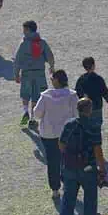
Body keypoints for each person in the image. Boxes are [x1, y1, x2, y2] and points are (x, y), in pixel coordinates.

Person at [57, 98, 106, 215]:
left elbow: (61, 145)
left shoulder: (69, 124)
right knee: (90, 193)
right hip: (88, 167)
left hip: (70, 167)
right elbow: (97, 150)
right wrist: (102, 168)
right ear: (90, 110)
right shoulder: (94, 126)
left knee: (68, 198)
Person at [32, 70, 80, 198]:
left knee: (52, 162)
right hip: (67, 134)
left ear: (57, 81)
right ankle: (67, 183)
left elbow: (37, 114)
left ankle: (55, 189)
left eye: (52, 78)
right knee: (67, 160)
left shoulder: (45, 96)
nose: (51, 80)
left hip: (49, 135)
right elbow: (77, 114)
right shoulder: (72, 95)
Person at [15, 20, 55, 129]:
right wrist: (52, 67)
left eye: (24, 29)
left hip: (27, 73)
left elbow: (17, 60)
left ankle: (25, 111)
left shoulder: (23, 43)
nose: (23, 32)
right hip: (39, 73)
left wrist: (16, 74)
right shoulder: (42, 42)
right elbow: (50, 56)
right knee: (36, 95)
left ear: (28, 30)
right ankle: (33, 118)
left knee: (25, 93)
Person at [75, 57, 108, 130]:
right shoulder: (98, 78)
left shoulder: (81, 79)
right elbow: (104, 91)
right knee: (97, 126)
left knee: (86, 126)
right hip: (97, 106)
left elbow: (78, 92)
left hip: (85, 108)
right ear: (93, 66)